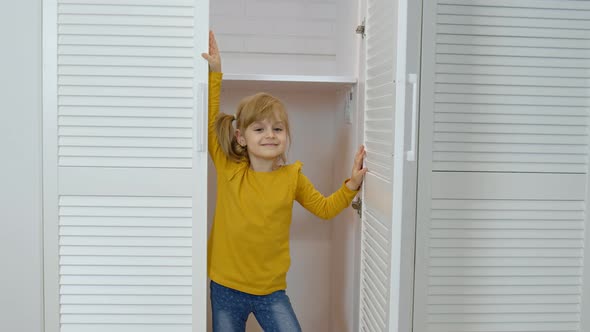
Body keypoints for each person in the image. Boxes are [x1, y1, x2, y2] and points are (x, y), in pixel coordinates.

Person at [201, 31, 367, 332]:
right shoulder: (229, 168)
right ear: (241, 137)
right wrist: (216, 73)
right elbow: (211, 118)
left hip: (271, 292)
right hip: (225, 287)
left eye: (278, 129)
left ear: (286, 136)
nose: (270, 135)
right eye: (260, 129)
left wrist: (351, 185)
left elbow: (325, 209)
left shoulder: (293, 177)